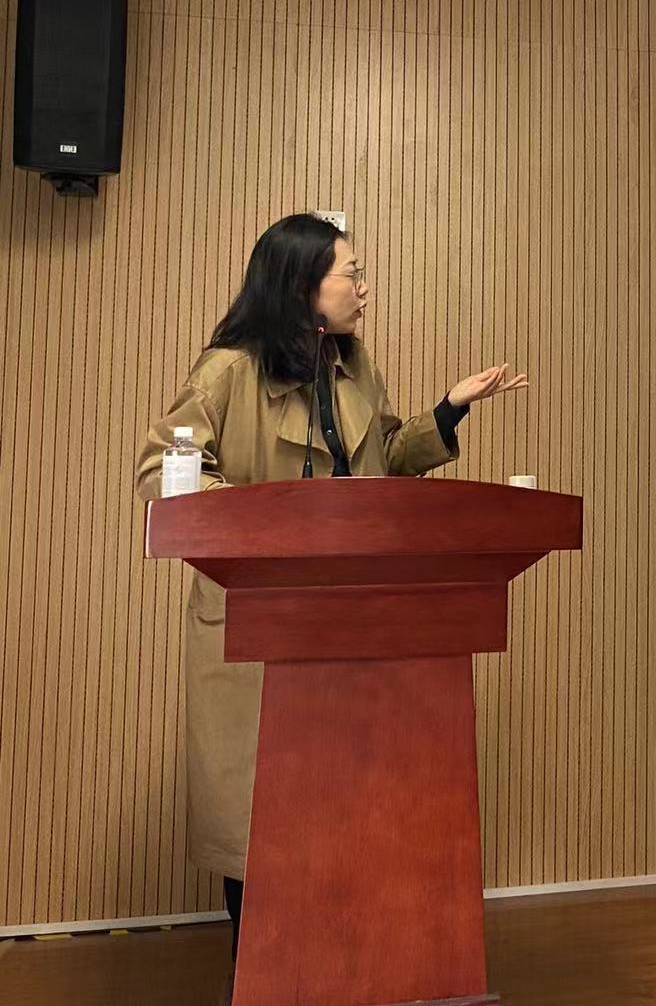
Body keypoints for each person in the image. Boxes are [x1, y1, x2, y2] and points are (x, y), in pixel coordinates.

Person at [133, 214, 529, 970]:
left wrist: (450, 408)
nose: (364, 288)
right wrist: (258, 520)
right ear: (303, 284)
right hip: (258, 627)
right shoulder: (228, 370)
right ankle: (263, 973)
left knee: (343, 809)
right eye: (352, 272)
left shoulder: (353, 366)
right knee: (261, 819)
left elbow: (387, 458)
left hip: (350, 623)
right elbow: (163, 472)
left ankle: (347, 966)